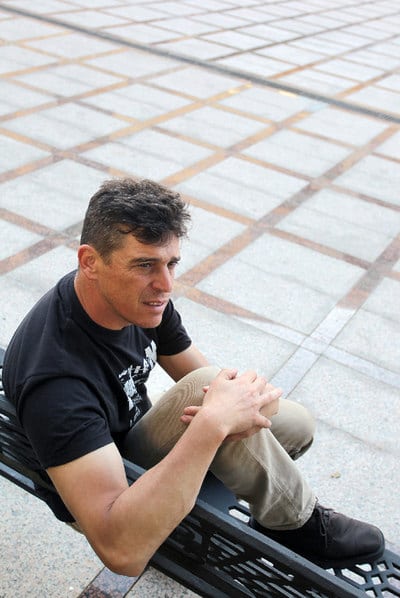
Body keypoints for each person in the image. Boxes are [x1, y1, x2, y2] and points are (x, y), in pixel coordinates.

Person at [3, 177, 384, 576]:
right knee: (213, 412)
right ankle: (297, 525)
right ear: (89, 262)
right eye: (145, 265)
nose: (166, 285)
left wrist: (236, 406)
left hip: (129, 438)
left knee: (294, 423)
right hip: (106, 488)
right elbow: (119, 550)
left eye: (171, 263)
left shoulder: (138, 300)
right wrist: (213, 425)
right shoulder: (57, 382)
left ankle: (264, 501)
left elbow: (208, 378)